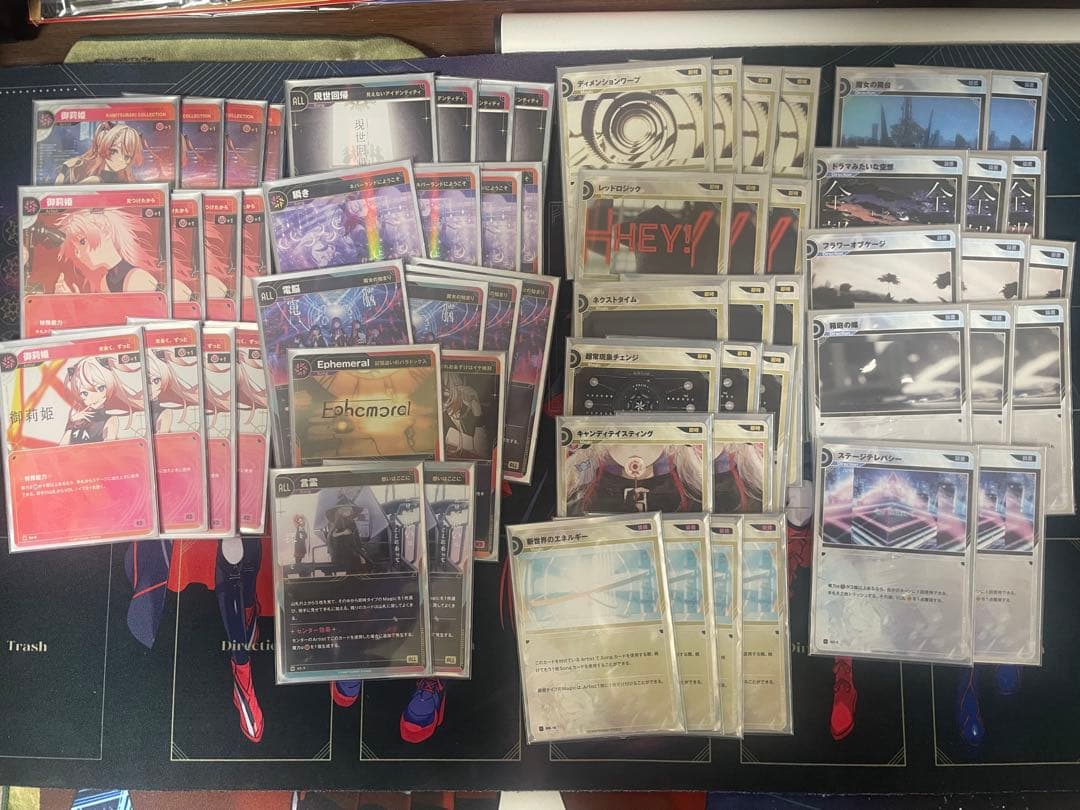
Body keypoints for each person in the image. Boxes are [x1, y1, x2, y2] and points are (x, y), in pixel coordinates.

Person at [53, 208, 162, 295]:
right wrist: (74, 300)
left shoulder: (137, 278)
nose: (78, 255)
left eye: (82, 242)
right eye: (76, 250)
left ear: (106, 231)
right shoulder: (105, 282)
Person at [60, 357, 143, 446]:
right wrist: (71, 423)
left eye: (100, 388)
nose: (93, 397)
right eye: (84, 393)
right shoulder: (77, 418)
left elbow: (109, 447)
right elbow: (62, 447)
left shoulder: (110, 419)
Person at [55, 121, 148, 184]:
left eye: (127, 157)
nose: (119, 159)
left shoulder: (127, 177)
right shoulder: (76, 168)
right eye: (114, 151)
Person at [146, 349, 200, 435]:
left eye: (156, 381)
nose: (151, 386)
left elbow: (163, 440)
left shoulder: (165, 412)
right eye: (148, 381)